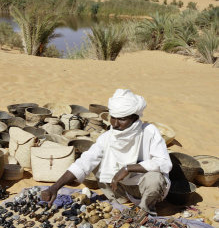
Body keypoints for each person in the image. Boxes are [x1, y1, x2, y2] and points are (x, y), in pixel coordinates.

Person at [41, 89, 172, 215]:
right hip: (120, 188)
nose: (115, 124)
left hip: (145, 190)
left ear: (134, 118)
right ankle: (118, 200)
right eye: (113, 117)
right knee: (94, 160)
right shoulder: (108, 137)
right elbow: (84, 162)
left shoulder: (149, 132)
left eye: (121, 119)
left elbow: (165, 163)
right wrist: (55, 187)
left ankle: (145, 210)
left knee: (155, 178)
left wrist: (128, 168)